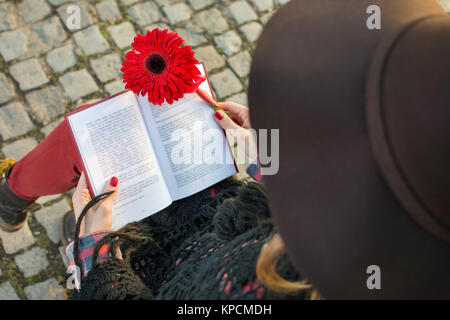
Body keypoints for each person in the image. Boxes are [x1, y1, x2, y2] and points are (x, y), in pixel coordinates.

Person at [1, 0, 449, 299]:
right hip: (231, 221)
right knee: (122, 117)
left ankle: (16, 197)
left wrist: (96, 252)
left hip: (164, 275)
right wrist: (268, 159)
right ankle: (14, 194)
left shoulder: (267, 291)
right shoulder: (380, 227)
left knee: (87, 137)